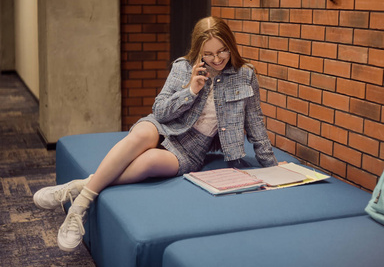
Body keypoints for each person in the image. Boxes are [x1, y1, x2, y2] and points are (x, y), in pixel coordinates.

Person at [33, 16, 278, 252]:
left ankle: (77, 188)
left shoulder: (245, 74)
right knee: (140, 135)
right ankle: (79, 208)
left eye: (222, 51)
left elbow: (256, 122)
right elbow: (159, 111)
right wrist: (190, 91)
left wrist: (273, 169)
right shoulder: (183, 67)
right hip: (163, 127)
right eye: (208, 53)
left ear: (231, 46)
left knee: (149, 161)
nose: (216, 59)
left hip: (191, 149)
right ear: (198, 51)